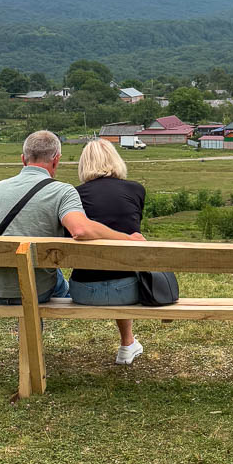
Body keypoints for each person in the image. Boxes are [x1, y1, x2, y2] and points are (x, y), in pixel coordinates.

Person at [0, 131, 143, 309]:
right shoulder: (62, 191)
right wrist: (128, 238)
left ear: (23, 159)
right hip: (38, 290)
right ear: (56, 159)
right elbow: (80, 230)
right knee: (42, 277)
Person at [68, 139, 147, 365]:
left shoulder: (73, 195)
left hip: (83, 291)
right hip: (129, 291)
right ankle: (127, 343)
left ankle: (129, 343)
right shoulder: (136, 190)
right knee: (121, 268)